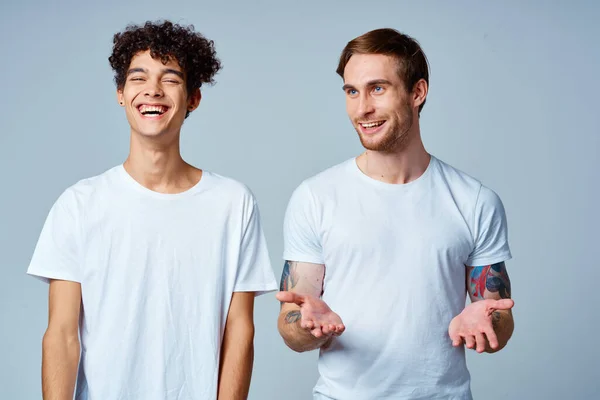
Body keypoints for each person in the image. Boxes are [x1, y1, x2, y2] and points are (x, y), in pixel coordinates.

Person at [27, 20, 277, 400]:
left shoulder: (233, 203)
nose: (153, 91)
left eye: (171, 79)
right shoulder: (79, 205)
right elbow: (62, 335)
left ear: (193, 98)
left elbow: (239, 329)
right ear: (121, 94)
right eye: (138, 78)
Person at [276, 28, 514, 399]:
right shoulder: (315, 197)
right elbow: (292, 320)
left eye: (377, 89)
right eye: (352, 91)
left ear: (417, 92)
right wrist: (306, 327)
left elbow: (498, 315)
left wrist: (487, 322)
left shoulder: (474, 200)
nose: (361, 109)